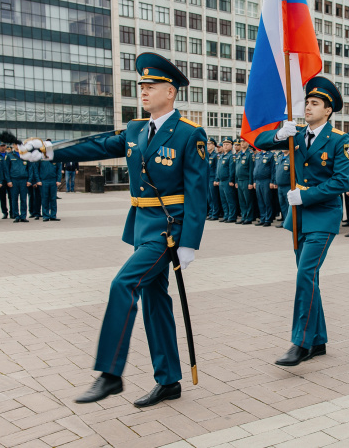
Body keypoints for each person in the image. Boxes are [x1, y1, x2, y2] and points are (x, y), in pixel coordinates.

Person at [19, 52, 208, 407]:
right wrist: (48, 151)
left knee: (124, 284)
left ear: (171, 91)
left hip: (168, 230)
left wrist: (190, 242)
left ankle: (110, 373)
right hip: (141, 227)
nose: (144, 91)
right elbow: (97, 145)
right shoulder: (136, 129)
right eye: (141, 86)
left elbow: (198, 192)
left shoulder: (189, 134)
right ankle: (169, 380)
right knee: (155, 302)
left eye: (151, 86)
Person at [254, 77, 349, 366]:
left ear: (328, 110)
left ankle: (300, 342)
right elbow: (257, 142)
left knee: (305, 275)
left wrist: (305, 196)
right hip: (297, 219)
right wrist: (279, 135)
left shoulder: (338, 140)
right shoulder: (294, 134)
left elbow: (341, 182)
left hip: (322, 216)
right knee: (310, 279)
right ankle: (317, 340)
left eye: (315, 103)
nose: (308, 107)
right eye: (307, 102)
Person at [3, 142, 35, 222]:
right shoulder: (9, 156)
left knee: (23, 199)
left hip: (24, 180)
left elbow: (30, 169)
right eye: (16, 145)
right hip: (14, 180)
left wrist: (29, 180)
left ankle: (23, 216)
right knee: (14, 199)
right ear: (13, 145)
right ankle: (16, 216)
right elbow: (6, 169)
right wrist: (8, 180)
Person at [32, 152, 62, 221]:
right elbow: (36, 169)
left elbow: (59, 169)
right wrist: (38, 180)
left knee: (53, 199)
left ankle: (53, 215)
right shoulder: (40, 157)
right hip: (43, 181)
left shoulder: (55, 157)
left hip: (53, 181)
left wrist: (58, 180)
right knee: (44, 199)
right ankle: (46, 216)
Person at [252, 146, 275, 227]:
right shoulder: (258, 155)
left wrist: (272, 181)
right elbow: (255, 168)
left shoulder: (271, 155)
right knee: (260, 201)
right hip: (258, 181)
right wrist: (254, 181)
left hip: (266, 180)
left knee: (267, 200)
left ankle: (268, 219)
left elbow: (273, 169)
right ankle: (262, 218)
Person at [232, 138, 254, 225]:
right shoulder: (239, 155)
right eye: (241, 142)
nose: (242, 143)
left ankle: (249, 217)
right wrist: (236, 181)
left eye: (244, 141)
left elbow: (251, 170)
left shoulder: (250, 154)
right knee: (241, 201)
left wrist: (250, 182)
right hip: (240, 180)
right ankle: (244, 216)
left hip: (246, 180)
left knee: (248, 200)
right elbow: (236, 169)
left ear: (248, 143)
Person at [215, 138, 235, 223]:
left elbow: (232, 169)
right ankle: (226, 215)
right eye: (224, 145)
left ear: (231, 146)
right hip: (221, 181)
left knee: (230, 200)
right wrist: (217, 179)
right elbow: (218, 169)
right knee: (223, 200)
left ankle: (232, 216)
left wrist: (231, 180)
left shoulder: (231, 156)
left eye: (227, 144)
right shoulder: (221, 156)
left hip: (227, 181)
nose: (225, 146)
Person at [274, 150, 291, 228]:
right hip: (280, 185)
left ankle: (290, 222)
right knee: (283, 205)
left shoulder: (291, 157)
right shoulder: (280, 157)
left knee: (288, 205)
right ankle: (285, 221)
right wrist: (275, 182)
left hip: (288, 185)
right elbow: (276, 171)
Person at [205, 139, 221, 220]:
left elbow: (217, 169)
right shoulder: (207, 155)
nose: (208, 146)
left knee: (214, 197)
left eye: (210, 144)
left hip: (212, 178)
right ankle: (211, 212)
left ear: (214, 145)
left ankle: (215, 213)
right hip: (207, 178)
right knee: (209, 197)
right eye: (207, 144)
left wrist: (216, 179)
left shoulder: (215, 156)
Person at [0, 141, 10, 219]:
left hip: (10, 179)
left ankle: (13, 212)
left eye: (4, 145)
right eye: (1, 146)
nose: (3, 147)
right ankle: (5, 212)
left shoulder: (10, 155)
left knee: (12, 197)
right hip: (1, 180)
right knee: (2, 197)